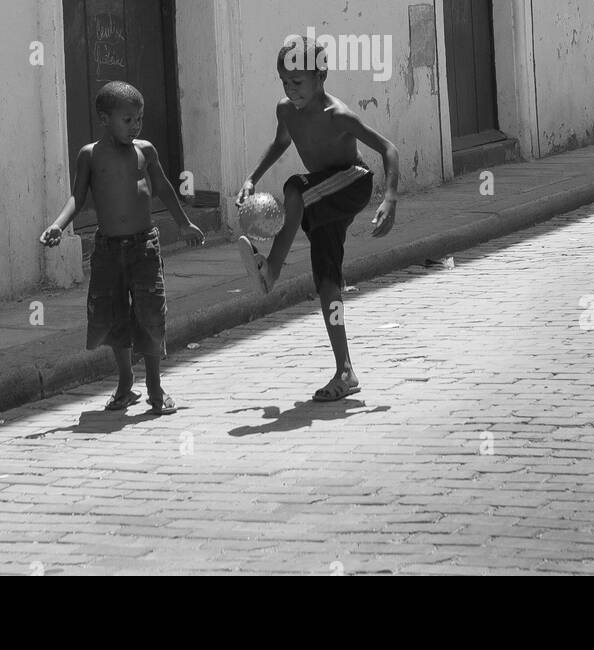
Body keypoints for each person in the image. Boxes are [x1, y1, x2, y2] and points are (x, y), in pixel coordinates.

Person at [236, 36, 399, 402]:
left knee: (295, 188)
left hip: (353, 182)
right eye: (284, 82)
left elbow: (388, 149)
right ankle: (345, 371)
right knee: (327, 282)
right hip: (322, 196)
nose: (290, 90)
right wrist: (252, 177)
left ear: (320, 77)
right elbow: (281, 143)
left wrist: (389, 198)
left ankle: (272, 269)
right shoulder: (286, 110)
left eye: (297, 82)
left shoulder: (337, 115)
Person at [40, 81, 204, 414]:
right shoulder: (89, 155)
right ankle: (126, 383)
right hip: (108, 249)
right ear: (104, 118)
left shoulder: (146, 150)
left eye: (139, 119)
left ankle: (156, 386)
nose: (135, 126)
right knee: (112, 316)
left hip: (144, 245)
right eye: (127, 120)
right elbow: (78, 196)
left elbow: (164, 188)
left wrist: (184, 222)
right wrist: (59, 224)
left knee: (150, 313)